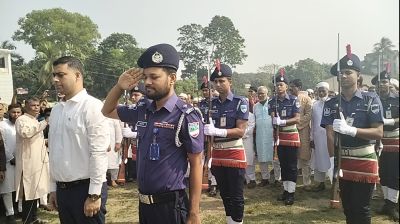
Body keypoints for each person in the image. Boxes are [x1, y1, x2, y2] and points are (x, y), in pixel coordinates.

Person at [102, 43, 204, 224]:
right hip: (144, 204)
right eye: (145, 77)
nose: (147, 82)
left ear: (172, 78)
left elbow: (196, 164)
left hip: (170, 207)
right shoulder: (143, 109)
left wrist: (194, 213)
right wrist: (119, 87)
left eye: (154, 77)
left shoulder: (186, 115)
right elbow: (107, 110)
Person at [321, 51, 383, 224]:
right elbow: (329, 132)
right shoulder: (331, 103)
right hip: (342, 160)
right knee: (348, 209)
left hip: (364, 160)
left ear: (358, 75)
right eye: (341, 72)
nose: (344, 75)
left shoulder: (370, 99)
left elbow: (378, 132)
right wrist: (333, 160)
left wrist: (352, 130)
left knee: (361, 209)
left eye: (349, 72)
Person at [48, 56, 109, 224]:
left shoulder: (93, 107)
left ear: (77, 75)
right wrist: (53, 188)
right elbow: (53, 152)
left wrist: (94, 194)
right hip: (63, 190)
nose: (55, 79)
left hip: (86, 189)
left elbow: (98, 152)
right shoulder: (56, 110)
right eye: (54, 75)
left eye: (61, 75)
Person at [204, 63, 249, 224]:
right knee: (225, 194)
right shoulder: (211, 104)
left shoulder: (240, 102)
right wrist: (206, 130)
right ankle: (230, 221)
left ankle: (237, 221)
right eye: (215, 81)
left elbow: (240, 130)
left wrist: (219, 132)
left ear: (230, 81)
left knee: (236, 195)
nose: (218, 84)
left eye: (222, 81)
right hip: (217, 154)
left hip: (234, 152)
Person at [14, 97, 50, 224]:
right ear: (26, 107)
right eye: (33, 105)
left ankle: (34, 217)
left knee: (36, 190)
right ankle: (27, 220)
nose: (36, 108)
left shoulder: (34, 120)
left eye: (37, 105)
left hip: (37, 161)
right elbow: (25, 133)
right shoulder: (21, 119)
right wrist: (44, 122)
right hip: (28, 162)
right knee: (29, 192)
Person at [268, 73, 300, 206]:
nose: (278, 87)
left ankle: (291, 193)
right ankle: (285, 190)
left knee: (291, 166)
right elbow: (272, 119)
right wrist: (275, 121)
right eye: (276, 85)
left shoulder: (293, 100)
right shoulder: (272, 102)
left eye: (281, 84)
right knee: (283, 165)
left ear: (286, 86)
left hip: (291, 136)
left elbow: (297, 118)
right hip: (279, 137)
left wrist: (283, 122)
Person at [371, 71, 399, 221]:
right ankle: (386, 203)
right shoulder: (374, 99)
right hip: (380, 140)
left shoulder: (398, 98)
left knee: (394, 173)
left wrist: (391, 121)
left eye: (384, 82)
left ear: (389, 83)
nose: (382, 84)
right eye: (379, 82)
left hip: (395, 140)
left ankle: (392, 204)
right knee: (383, 173)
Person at [0, 104, 22, 224]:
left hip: (22, 161)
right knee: (7, 190)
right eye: (13, 112)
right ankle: (10, 213)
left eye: (18, 112)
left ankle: (21, 210)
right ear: (8, 113)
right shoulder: (2, 125)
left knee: (20, 188)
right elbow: (2, 146)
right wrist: (11, 158)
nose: (16, 115)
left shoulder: (23, 124)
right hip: (8, 162)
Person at [288, 79, 313, 190]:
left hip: (303, 131)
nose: (290, 89)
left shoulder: (307, 99)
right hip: (290, 130)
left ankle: (306, 182)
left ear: (299, 87)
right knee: (291, 156)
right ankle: (291, 181)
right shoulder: (288, 99)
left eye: (292, 86)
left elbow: (308, 115)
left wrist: (297, 124)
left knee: (304, 157)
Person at [253, 86, 279, 187]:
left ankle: (278, 178)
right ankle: (265, 178)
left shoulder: (273, 103)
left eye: (262, 93)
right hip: (260, 135)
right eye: (258, 93)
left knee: (275, 158)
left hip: (271, 134)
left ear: (267, 93)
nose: (260, 95)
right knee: (262, 157)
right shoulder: (255, 106)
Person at [310, 82, 332, 192]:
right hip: (318, 137)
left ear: (328, 91)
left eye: (324, 91)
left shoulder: (333, 104)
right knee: (318, 160)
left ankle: (334, 183)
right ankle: (321, 183)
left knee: (331, 159)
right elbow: (313, 123)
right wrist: (311, 138)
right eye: (320, 91)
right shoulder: (314, 105)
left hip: (330, 138)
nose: (322, 93)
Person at [198, 82, 218, 197]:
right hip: (203, 136)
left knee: (212, 160)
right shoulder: (201, 104)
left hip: (214, 135)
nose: (205, 92)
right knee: (204, 159)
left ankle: (214, 184)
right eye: (204, 90)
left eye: (207, 90)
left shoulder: (216, 102)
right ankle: (205, 181)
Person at [106, 117, 122, 188]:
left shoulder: (113, 117)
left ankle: (113, 180)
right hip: (102, 144)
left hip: (113, 144)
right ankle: (104, 182)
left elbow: (118, 130)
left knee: (113, 162)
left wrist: (118, 142)